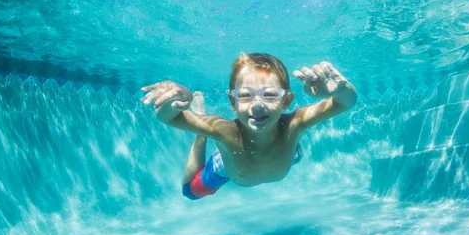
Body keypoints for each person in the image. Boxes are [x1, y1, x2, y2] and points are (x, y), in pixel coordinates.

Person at [141, 52, 358, 200]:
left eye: (270, 95)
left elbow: (345, 102)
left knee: (294, 145)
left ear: (286, 101)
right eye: (245, 96)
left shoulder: (294, 124)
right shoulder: (224, 132)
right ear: (232, 103)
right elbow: (170, 117)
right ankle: (200, 135)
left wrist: (340, 89)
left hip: (285, 152)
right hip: (229, 165)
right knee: (190, 192)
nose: (256, 106)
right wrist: (180, 98)